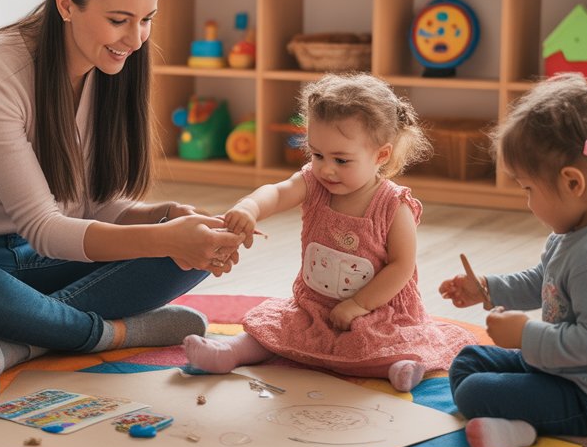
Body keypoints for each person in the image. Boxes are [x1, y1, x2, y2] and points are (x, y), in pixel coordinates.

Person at [0, 0, 243, 373]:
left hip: (42, 258)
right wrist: (163, 237)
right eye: (119, 20)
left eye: (147, 20)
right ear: (66, 4)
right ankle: (109, 332)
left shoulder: (108, 65)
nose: (136, 38)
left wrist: (162, 217)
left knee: (191, 255)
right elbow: (45, 225)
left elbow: (92, 204)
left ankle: (23, 337)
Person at [182, 73, 472, 392]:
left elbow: (401, 267)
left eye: (341, 160)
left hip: (375, 310)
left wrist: (359, 305)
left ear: (381, 155)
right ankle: (230, 352)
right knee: (274, 330)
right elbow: (278, 193)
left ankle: (402, 365)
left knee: (382, 342)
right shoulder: (315, 184)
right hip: (314, 306)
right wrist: (250, 207)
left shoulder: (393, 205)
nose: (326, 168)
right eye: (317, 154)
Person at [439, 72, 587, 447]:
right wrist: (488, 288)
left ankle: (518, 433)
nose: (527, 202)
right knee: (468, 361)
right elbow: (548, 280)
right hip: (568, 371)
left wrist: (526, 335)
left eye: (528, 188)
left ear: (573, 183)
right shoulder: (583, 226)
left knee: (475, 391)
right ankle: (515, 421)